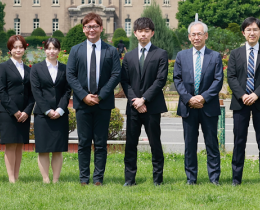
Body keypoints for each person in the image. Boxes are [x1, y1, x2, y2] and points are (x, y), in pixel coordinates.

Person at [66, 13, 121, 186]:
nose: (92, 29)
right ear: (83, 29)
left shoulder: (110, 51)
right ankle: (84, 178)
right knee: (83, 143)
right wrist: (84, 95)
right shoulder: (76, 50)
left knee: (100, 143)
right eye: (88, 26)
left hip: (103, 103)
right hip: (83, 103)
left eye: (95, 26)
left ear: (101, 28)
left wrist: (101, 95)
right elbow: (70, 75)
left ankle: (98, 178)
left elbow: (116, 74)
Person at [227, 17, 260, 186]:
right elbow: (231, 77)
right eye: (248, 30)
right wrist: (242, 95)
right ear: (243, 33)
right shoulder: (235, 54)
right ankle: (236, 179)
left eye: (255, 29)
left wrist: (256, 94)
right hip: (240, 103)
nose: (252, 33)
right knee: (239, 141)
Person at [173, 21, 224, 185]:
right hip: (188, 107)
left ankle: (214, 178)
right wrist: (189, 99)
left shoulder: (214, 56)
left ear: (206, 36)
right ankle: (191, 178)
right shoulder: (181, 56)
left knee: (212, 144)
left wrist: (203, 97)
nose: (196, 37)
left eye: (199, 34)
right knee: (190, 145)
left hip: (208, 106)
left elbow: (218, 80)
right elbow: (177, 80)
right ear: (189, 37)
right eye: (193, 34)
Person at [121, 17, 168, 186]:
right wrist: (136, 101)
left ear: (152, 33)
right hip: (133, 107)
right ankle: (129, 179)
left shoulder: (160, 54)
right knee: (130, 144)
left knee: (155, 144)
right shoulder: (128, 56)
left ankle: (158, 179)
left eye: (147, 31)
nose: (143, 34)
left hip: (152, 107)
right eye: (140, 31)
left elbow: (160, 80)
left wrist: (144, 99)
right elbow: (124, 81)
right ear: (135, 33)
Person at [30, 38, 72, 183]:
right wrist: (47, 110)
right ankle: (45, 178)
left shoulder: (65, 68)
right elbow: (36, 91)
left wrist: (60, 109)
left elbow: (67, 90)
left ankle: (55, 179)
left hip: (60, 114)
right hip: (42, 115)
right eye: (49, 48)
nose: (52, 51)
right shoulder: (36, 68)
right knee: (43, 148)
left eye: (55, 48)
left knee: (57, 149)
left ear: (59, 50)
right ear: (45, 50)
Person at [0, 35, 35, 183]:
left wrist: (26, 111)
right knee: (11, 145)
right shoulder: (3, 67)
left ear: (24, 49)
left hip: (24, 113)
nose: (18, 50)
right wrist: (15, 111)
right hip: (8, 113)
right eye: (15, 47)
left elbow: (32, 94)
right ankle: (11, 177)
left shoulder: (28, 69)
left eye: (21, 47)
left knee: (20, 145)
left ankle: (17, 176)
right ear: (10, 49)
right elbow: (1, 91)